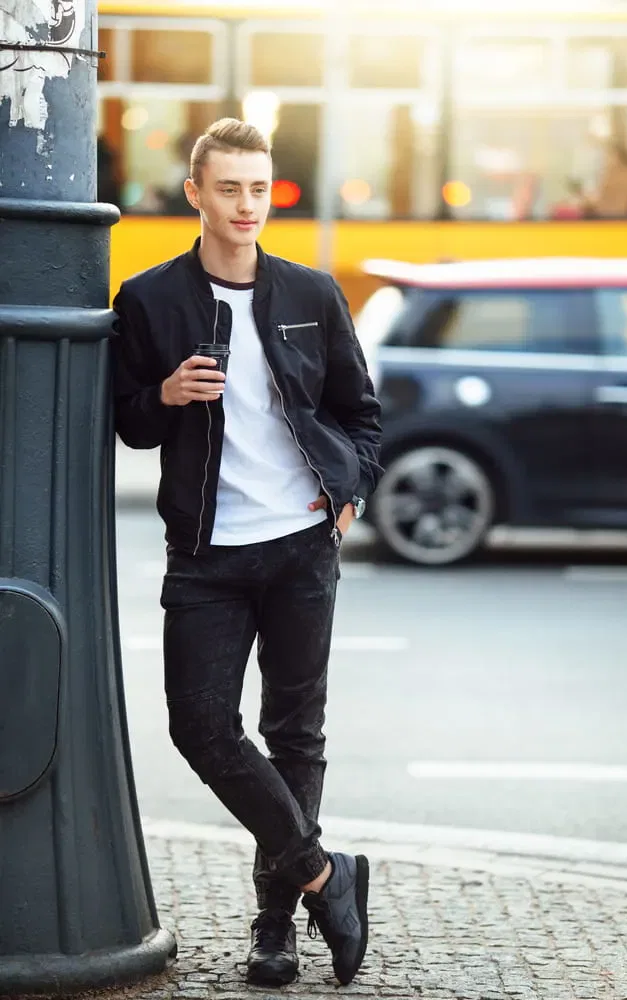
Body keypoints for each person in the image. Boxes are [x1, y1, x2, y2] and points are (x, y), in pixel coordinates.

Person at [111, 118, 382, 988]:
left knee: (293, 734)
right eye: (228, 188)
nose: (246, 206)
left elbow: (358, 411)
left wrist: (349, 494)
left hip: (301, 545)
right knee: (200, 727)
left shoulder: (310, 292)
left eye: (259, 188)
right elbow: (128, 424)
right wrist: (163, 390)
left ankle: (277, 926)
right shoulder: (149, 299)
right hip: (206, 552)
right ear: (194, 192)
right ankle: (323, 875)